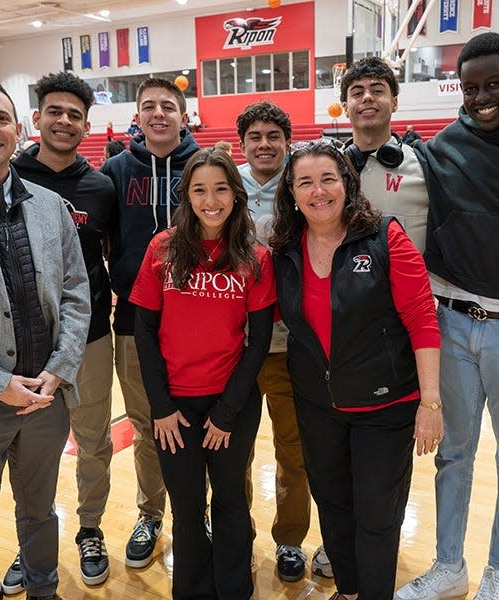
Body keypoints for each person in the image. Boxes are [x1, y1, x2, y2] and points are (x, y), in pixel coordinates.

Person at [394, 32, 499, 600]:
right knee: (452, 453)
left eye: (494, 85)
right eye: (471, 86)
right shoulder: (443, 146)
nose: (481, 97)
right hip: (450, 322)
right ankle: (449, 565)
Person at [270, 139, 442, 600]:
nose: (318, 191)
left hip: (385, 406)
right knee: (333, 505)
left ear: (346, 183)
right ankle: (348, 591)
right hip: (317, 404)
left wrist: (430, 402)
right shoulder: (284, 249)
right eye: (304, 181)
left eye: (328, 178)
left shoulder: (385, 236)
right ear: (291, 191)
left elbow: (423, 320)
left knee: (377, 516)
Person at [0, 75, 90, 600]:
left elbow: (77, 292)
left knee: (40, 515)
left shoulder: (50, 207)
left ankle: (44, 590)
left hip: (45, 401)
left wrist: (60, 368)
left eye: (2, 118)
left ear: (19, 128)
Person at [130, 147, 276, 599]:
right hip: (175, 408)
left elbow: (259, 342)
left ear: (235, 193)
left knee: (231, 501)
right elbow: (145, 333)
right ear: (186, 196)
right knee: (187, 506)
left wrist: (228, 412)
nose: (210, 200)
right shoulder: (163, 247)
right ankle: (192, 589)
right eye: (199, 190)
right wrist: (162, 408)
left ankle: (234, 588)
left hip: (230, 402)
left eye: (219, 189)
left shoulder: (256, 255)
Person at [0, 71, 117, 592]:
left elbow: (114, 259)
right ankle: (32, 542)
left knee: (93, 442)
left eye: (74, 114)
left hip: (89, 340)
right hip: (22, 346)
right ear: (37, 119)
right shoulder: (5, 178)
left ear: (86, 123)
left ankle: (89, 529)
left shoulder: (101, 187)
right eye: (55, 111)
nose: (64, 121)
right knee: (28, 450)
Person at [100, 77, 199, 569]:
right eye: (148, 107)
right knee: (145, 424)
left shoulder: (203, 167)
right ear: (137, 116)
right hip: (135, 320)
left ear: (184, 114)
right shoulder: (115, 171)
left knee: (197, 423)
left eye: (168, 106)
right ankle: (150, 514)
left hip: (199, 319)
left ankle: (195, 514)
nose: (159, 113)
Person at [236, 101, 331, 582]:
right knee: (235, 450)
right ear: (243, 143)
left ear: (287, 141)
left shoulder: (304, 187)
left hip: (292, 344)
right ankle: (237, 537)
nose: (265, 144)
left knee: (294, 450)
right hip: (234, 346)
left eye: (274, 135)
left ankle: (290, 540)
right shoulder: (225, 185)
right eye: (256, 136)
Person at [340, 56, 429, 254]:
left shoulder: (424, 165)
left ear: (394, 103)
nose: (367, 97)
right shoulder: (331, 168)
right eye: (357, 92)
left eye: (377, 90)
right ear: (346, 108)